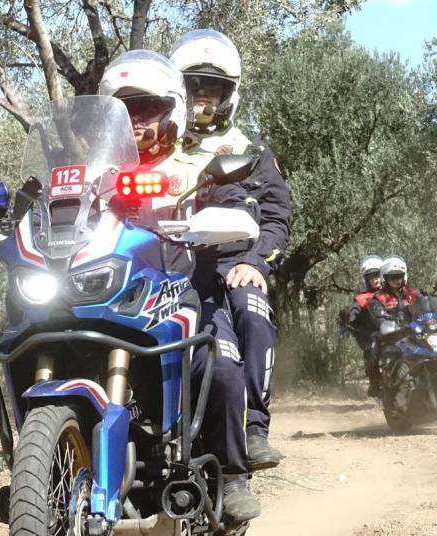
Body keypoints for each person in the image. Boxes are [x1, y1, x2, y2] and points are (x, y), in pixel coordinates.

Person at [98, 49, 261, 523]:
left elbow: (236, 200)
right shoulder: (97, 175)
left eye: (146, 110)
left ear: (171, 112)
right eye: (125, 112)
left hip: (178, 292)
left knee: (224, 367)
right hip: (110, 298)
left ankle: (232, 477)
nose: (136, 123)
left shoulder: (194, 165)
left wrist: (233, 213)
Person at [170, 29, 292, 472]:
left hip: (233, 264)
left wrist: (255, 260)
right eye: (193, 85)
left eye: (212, 86)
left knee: (251, 311)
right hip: (166, 265)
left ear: (229, 94)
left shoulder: (250, 150)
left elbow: (277, 215)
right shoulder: (156, 144)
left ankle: (255, 428)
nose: (202, 96)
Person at [346, 255, 384, 397]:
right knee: (372, 349)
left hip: (395, 330)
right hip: (375, 334)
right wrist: (364, 332)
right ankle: (375, 383)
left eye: (377, 275)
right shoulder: (362, 298)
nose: (375, 279)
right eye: (371, 277)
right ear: (367, 280)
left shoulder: (393, 293)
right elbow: (352, 319)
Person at [367, 257, 420, 326]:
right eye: (392, 277)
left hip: (417, 330)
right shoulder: (378, 298)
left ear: (403, 277)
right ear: (384, 278)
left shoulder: (413, 293)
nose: (396, 280)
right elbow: (379, 319)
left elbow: (426, 308)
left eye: (398, 276)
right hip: (394, 334)